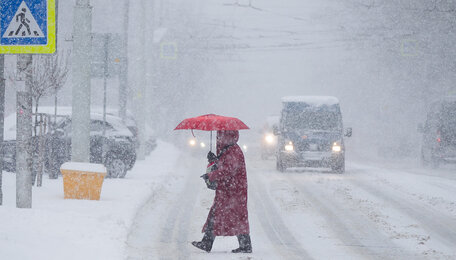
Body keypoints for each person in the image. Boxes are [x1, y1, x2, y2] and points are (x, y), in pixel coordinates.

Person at [192, 130, 252, 253]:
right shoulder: (229, 149)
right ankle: (243, 245)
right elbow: (224, 166)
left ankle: (208, 243)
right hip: (230, 191)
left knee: (229, 216)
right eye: (218, 136)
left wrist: (212, 176)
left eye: (221, 136)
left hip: (233, 191)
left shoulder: (233, 151)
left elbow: (228, 170)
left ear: (228, 136)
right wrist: (214, 160)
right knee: (232, 216)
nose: (218, 138)